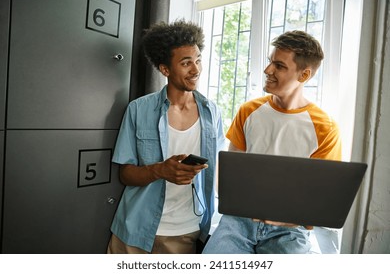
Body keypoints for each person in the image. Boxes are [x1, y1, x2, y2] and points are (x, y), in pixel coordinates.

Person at [202, 30, 342, 254]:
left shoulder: (325, 128)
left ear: (304, 75)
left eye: (279, 65)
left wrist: (296, 216)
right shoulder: (248, 111)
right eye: (270, 62)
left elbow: (322, 200)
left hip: (289, 231)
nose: (268, 70)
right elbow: (228, 178)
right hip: (239, 222)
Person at [107, 20, 225, 254]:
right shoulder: (138, 109)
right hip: (134, 230)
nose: (196, 69)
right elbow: (125, 174)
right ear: (165, 69)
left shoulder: (213, 113)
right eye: (186, 63)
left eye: (198, 60)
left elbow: (219, 171)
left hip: (186, 232)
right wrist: (160, 170)